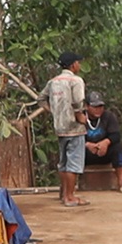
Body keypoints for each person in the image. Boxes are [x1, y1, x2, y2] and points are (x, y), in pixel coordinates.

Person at [44, 50, 90, 208]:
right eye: (78, 62)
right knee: (74, 164)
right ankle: (70, 196)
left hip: (60, 126)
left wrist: (53, 111)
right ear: (74, 64)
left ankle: (64, 194)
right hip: (74, 127)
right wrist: (79, 116)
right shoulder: (76, 80)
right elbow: (78, 102)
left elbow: (41, 98)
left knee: (63, 162)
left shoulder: (53, 81)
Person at [82, 92, 122, 178]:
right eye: (95, 107)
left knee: (118, 149)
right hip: (86, 153)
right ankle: (71, 185)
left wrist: (106, 142)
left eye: (100, 106)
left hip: (104, 153)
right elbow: (73, 137)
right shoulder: (80, 117)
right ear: (87, 106)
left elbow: (116, 135)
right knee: (72, 151)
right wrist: (87, 145)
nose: (98, 109)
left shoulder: (109, 116)